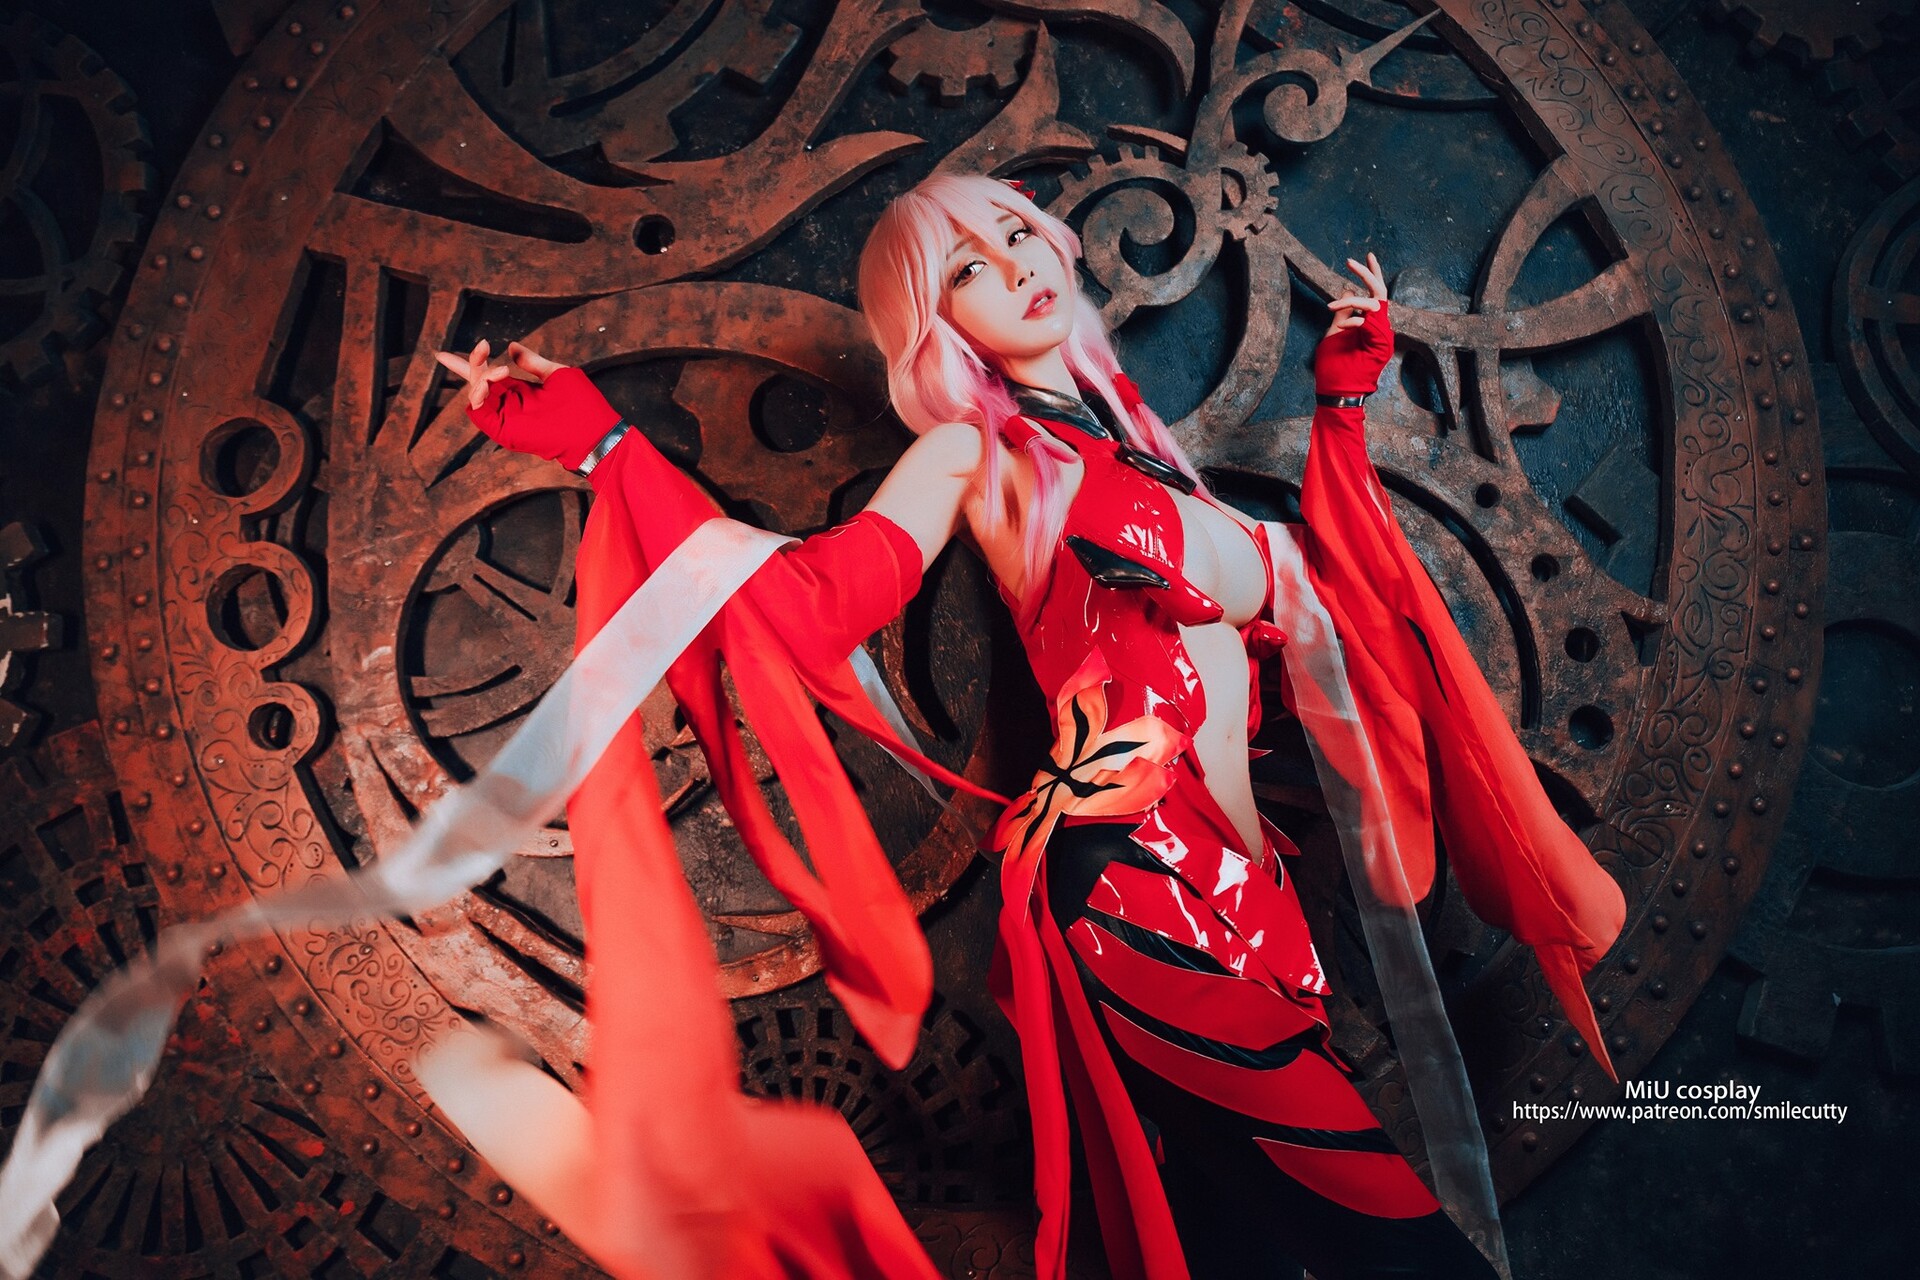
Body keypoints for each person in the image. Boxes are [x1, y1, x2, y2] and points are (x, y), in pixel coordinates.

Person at [430, 172, 1625, 1279]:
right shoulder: (982, 457)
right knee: (1395, 1248)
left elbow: (1331, 598)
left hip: (1251, 896)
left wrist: (1343, 403)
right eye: (965, 269)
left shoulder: (1146, 458)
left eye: (1013, 234)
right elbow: (809, 605)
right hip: (1130, 879)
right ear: (935, 326)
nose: (1011, 267)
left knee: (1235, 1249)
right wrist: (600, 440)